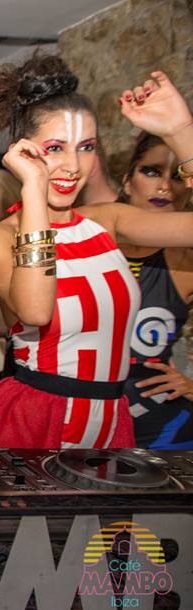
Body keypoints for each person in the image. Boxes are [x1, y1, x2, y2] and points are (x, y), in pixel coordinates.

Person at [0, 54, 193, 449]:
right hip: (36, 418)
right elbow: (35, 311)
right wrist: (32, 188)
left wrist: (182, 132)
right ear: (22, 151)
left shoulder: (109, 220)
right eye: (55, 147)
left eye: (86, 147)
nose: (73, 165)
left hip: (111, 420)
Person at [117, 132, 193, 448]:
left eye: (177, 176)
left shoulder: (185, 261)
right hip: (76, 421)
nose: (164, 186)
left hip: (163, 433)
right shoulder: (87, 244)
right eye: (151, 171)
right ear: (127, 182)